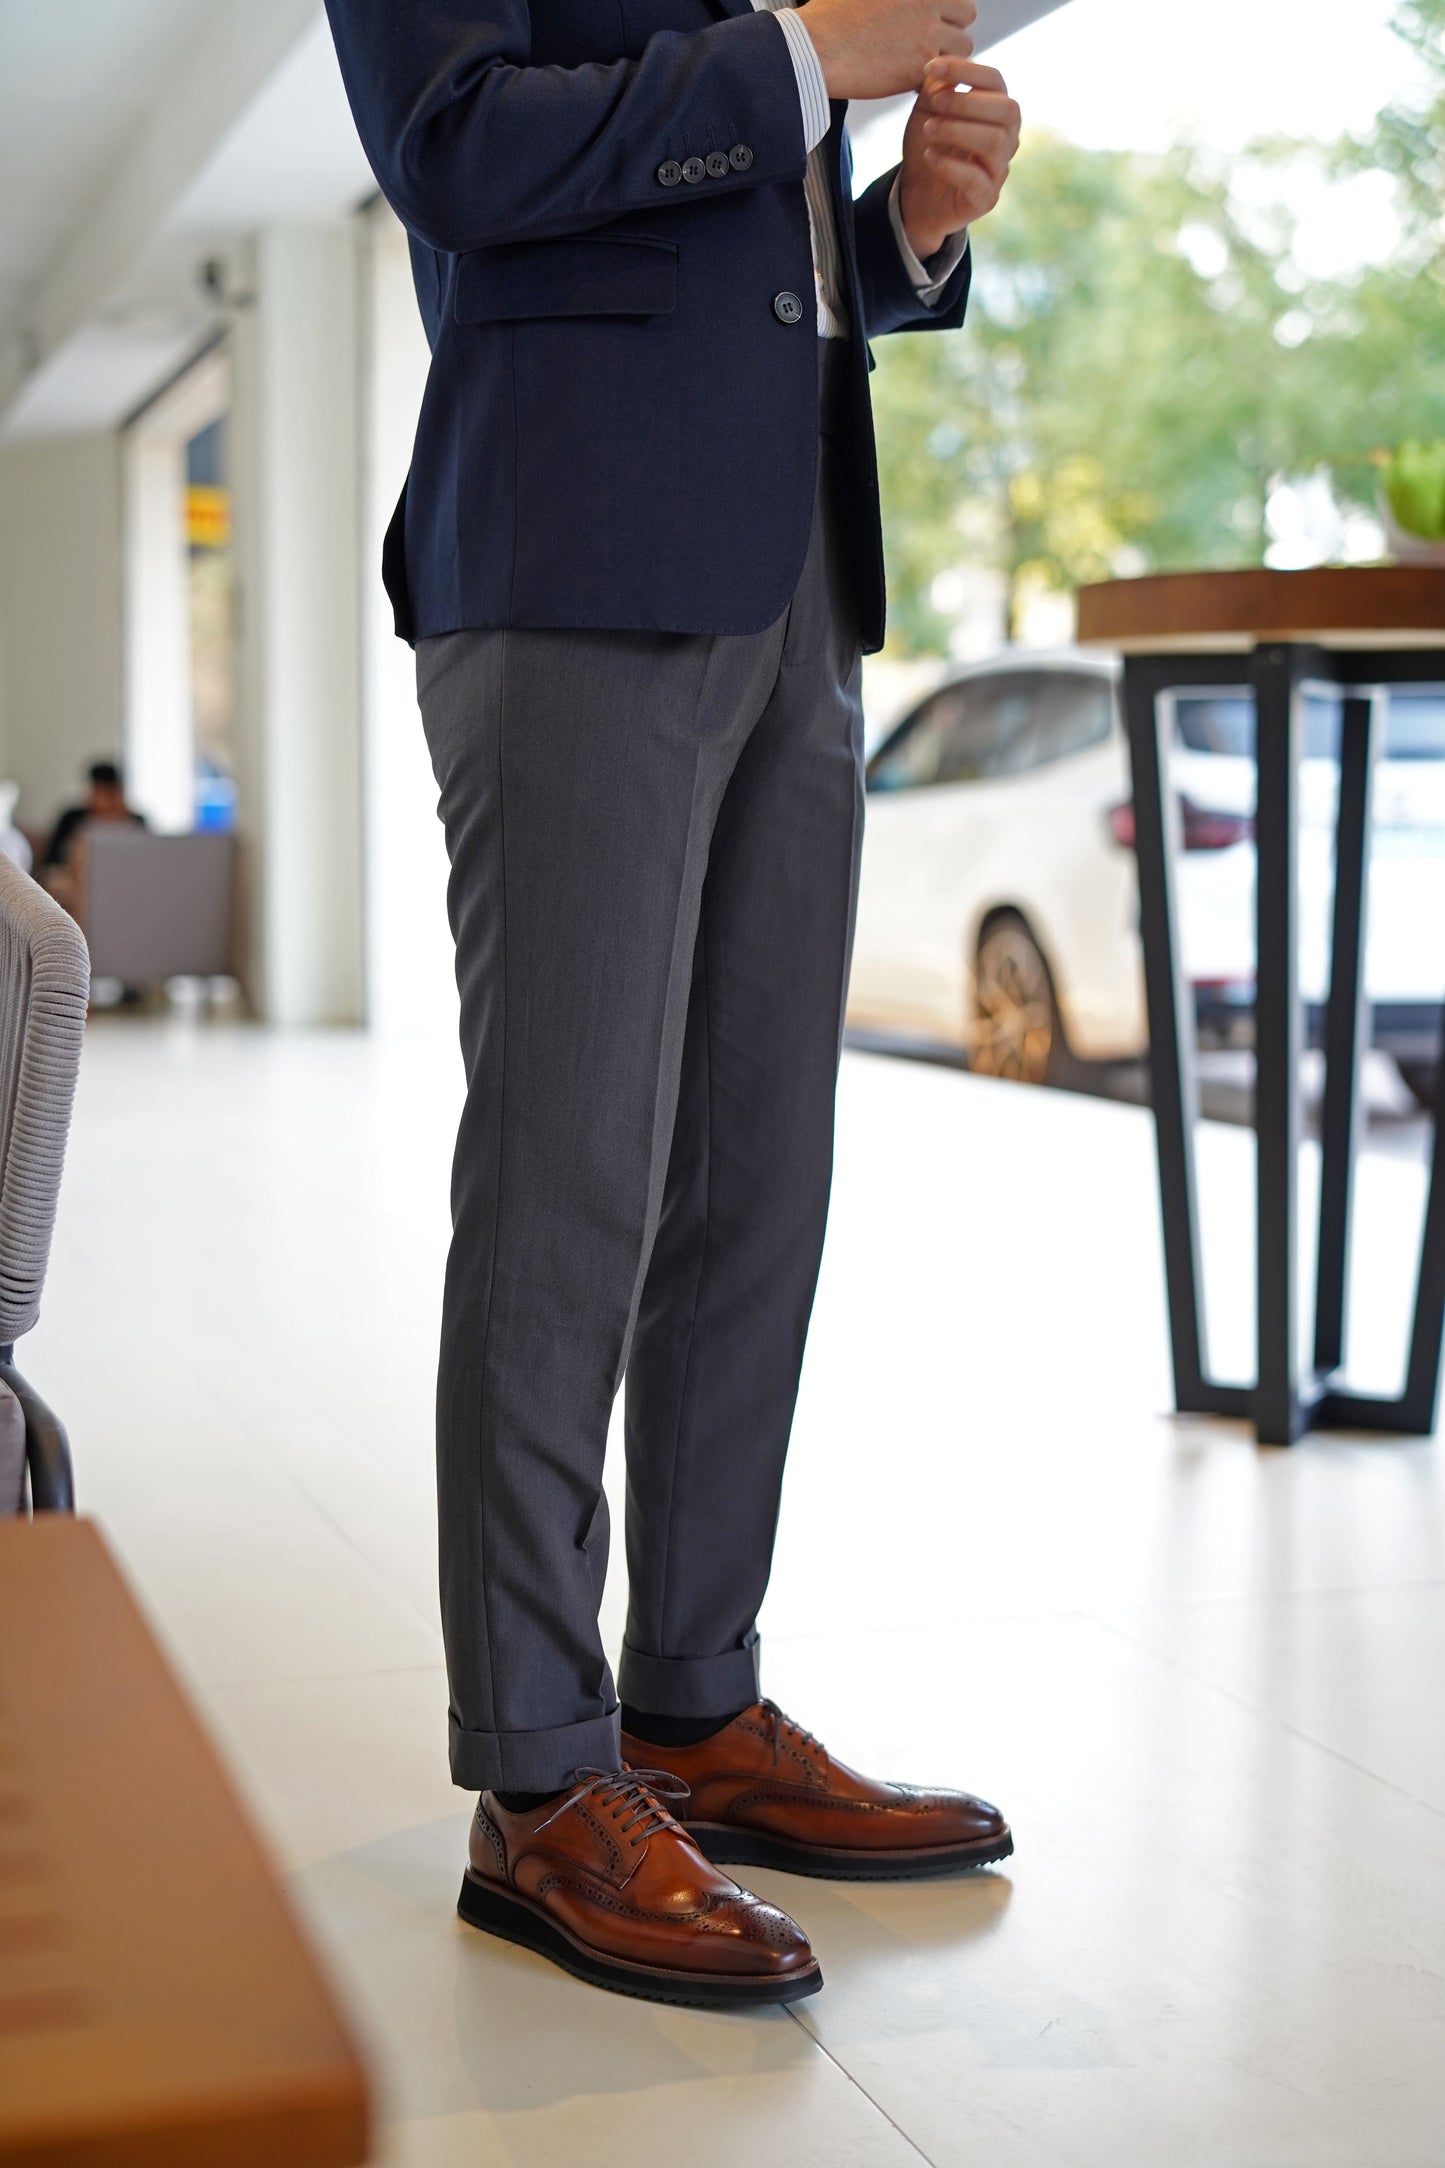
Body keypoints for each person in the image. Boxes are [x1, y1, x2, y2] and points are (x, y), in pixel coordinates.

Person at [326, 0, 1022, 2007]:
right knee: (571, 1191)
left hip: (789, 572)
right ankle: (540, 1778)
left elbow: (734, 263)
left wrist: (895, 237)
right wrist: (807, 58)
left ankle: (692, 1703)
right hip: (566, 564)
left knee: (750, 1194)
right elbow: (459, 148)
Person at [42, 760, 144, 877]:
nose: (102, 801)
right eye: (97, 791)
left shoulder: (136, 822)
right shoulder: (72, 818)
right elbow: (51, 862)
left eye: (109, 793)